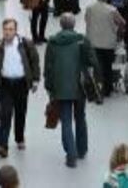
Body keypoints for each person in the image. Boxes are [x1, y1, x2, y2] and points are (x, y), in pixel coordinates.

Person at [44, 13, 100, 168]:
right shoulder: (82, 40)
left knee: (66, 120)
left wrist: (49, 87)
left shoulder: (53, 42)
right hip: (79, 86)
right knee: (80, 117)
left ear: (61, 25)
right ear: (74, 25)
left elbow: (48, 67)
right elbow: (93, 61)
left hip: (60, 87)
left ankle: (71, 154)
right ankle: (82, 149)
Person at [0, 19, 40, 158]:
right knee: (5, 114)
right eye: (5, 29)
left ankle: (19, 137)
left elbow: (35, 61)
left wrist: (35, 80)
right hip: (5, 85)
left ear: (15, 31)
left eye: (10, 29)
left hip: (22, 84)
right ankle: (3, 146)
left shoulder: (26, 44)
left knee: (20, 112)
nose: (8, 32)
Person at [85, 0, 125, 97]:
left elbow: (87, 20)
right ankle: (107, 89)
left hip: (93, 41)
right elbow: (122, 23)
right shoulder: (112, 10)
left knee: (97, 66)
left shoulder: (89, 8)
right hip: (108, 43)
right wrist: (119, 35)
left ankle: (97, 87)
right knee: (107, 66)